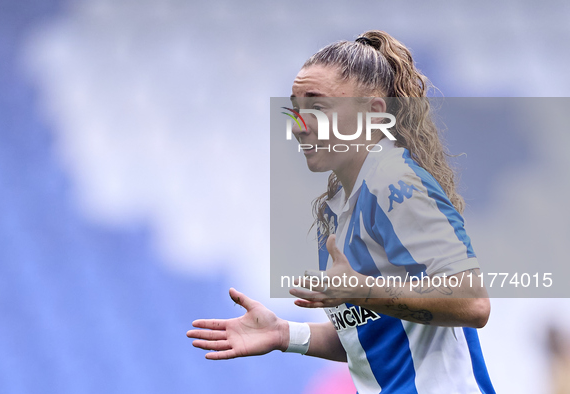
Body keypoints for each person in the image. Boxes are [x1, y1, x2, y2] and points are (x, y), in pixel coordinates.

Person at [187, 30, 495, 394]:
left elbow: (472, 304)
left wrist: (363, 290)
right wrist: (285, 333)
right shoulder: (338, 213)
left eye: (317, 108)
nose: (299, 125)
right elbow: (370, 339)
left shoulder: (398, 186)